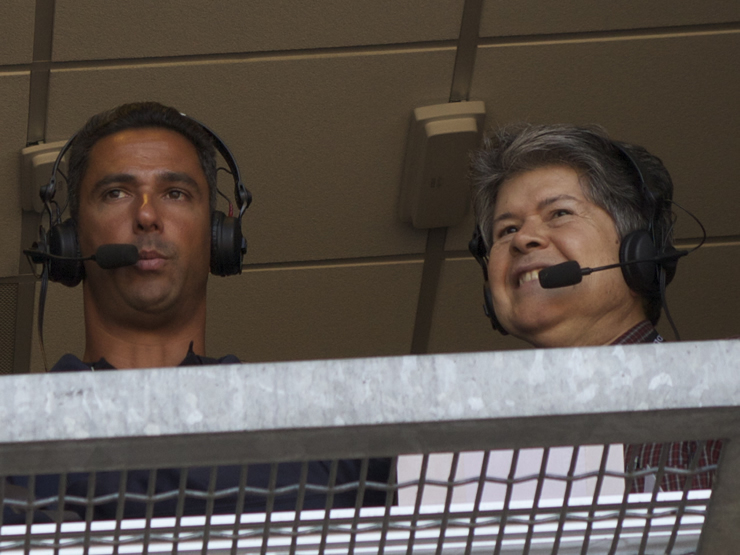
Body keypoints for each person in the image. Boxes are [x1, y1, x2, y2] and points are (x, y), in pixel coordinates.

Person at [4, 102, 391, 524]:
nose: (147, 215)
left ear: (219, 238)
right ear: (70, 241)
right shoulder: (16, 441)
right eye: (116, 192)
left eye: (175, 193)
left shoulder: (317, 443)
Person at [468, 123, 721, 492]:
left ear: (639, 252)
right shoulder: (470, 452)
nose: (523, 239)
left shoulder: (720, 401)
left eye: (559, 213)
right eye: (506, 230)